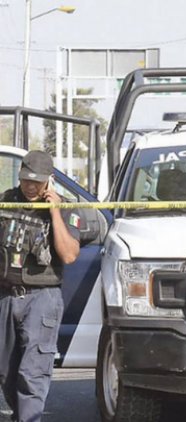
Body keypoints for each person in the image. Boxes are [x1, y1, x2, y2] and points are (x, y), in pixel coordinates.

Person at [0, 151, 81, 422]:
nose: (30, 186)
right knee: (6, 372)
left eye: (37, 182)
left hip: (42, 298)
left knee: (32, 374)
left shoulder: (66, 209)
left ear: (50, 180)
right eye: (26, 180)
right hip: (6, 297)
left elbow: (69, 255)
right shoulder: (6, 202)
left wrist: (55, 212)